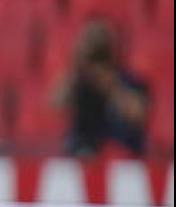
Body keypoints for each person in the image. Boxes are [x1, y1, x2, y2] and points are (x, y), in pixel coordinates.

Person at [55, 20, 150, 157]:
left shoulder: (131, 81)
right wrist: (77, 66)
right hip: (83, 157)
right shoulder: (80, 81)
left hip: (123, 159)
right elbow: (56, 103)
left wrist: (111, 85)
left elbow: (138, 115)